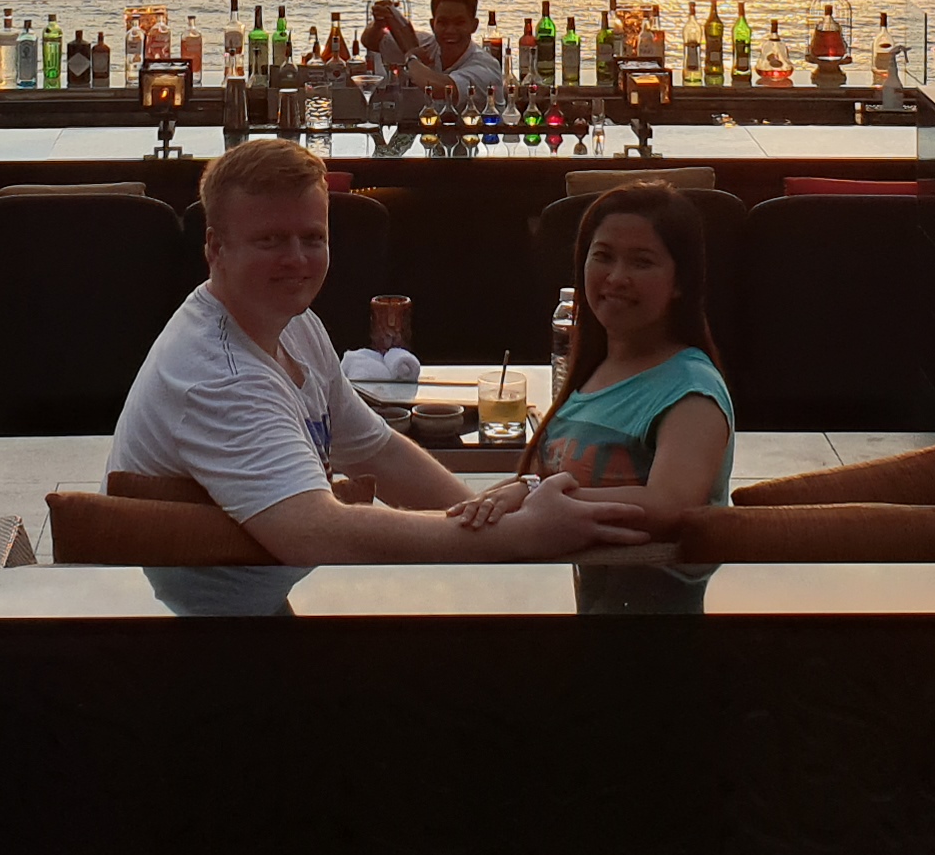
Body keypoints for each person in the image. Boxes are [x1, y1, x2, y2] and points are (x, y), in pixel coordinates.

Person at [107, 138, 658, 561]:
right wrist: (519, 536)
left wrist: (482, 512)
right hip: (192, 632)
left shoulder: (292, 326)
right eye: (269, 240)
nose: (296, 259)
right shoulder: (219, 375)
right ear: (215, 248)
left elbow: (377, 452)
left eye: (312, 238)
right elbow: (316, 534)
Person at [456, 184, 734, 534]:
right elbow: (540, 485)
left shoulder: (691, 390)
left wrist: (532, 493)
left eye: (642, 262)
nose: (616, 278)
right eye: (603, 256)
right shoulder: (594, 371)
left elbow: (671, 504)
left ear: (681, 281)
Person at [361, 0, 507, 112]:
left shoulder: (486, 67)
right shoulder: (425, 43)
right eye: (443, 22)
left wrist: (411, 58)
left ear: (474, 26)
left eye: (459, 23)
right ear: (432, 24)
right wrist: (379, 22)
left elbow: (441, 89)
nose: (450, 30)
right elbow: (371, 41)